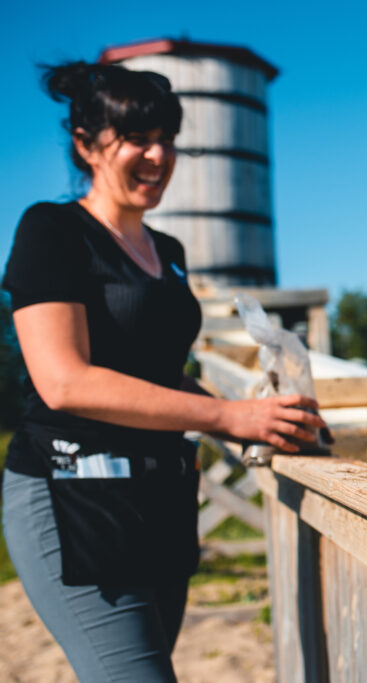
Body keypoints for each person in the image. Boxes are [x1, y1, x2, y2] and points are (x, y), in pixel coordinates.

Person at [1, 61, 325, 682]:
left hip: (158, 498)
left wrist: (259, 424)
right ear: (85, 144)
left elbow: (163, 376)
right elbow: (63, 381)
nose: (159, 155)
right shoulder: (53, 231)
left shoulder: (168, 252)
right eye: (139, 139)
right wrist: (228, 415)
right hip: (73, 492)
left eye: (169, 139)